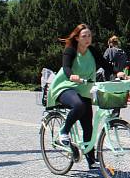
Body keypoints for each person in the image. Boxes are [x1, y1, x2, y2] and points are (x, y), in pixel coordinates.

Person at [47, 24, 123, 169]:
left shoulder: (92, 51)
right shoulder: (70, 50)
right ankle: (64, 131)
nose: (88, 39)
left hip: (84, 89)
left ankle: (91, 160)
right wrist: (72, 75)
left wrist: (116, 73)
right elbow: (66, 67)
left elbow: (105, 65)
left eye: (89, 35)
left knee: (88, 125)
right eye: (84, 36)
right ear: (77, 38)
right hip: (65, 87)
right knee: (79, 105)